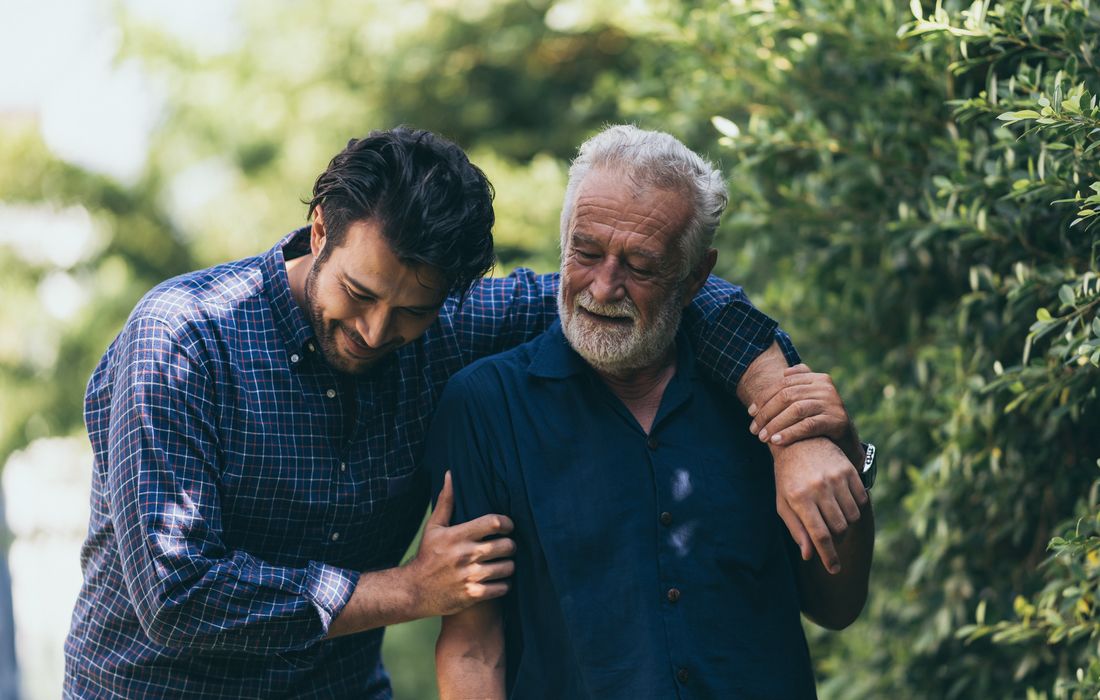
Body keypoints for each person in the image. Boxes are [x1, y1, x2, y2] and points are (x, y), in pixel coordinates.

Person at [63, 127, 864, 698]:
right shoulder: (182, 341)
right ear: (319, 233)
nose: (376, 333)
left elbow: (674, 295)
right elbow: (178, 596)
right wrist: (412, 590)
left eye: (410, 312)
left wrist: (789, 423)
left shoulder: (450, 325)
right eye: (359, 293)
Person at [430, 125, 875, 699]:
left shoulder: (763, 390)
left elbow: (836, 606)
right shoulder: (486, 406)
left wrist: (843, 452)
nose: (605, 287)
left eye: (640, 267)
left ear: (695, 277)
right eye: (585, 253)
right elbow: (472, 645)